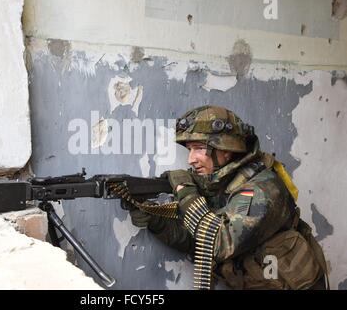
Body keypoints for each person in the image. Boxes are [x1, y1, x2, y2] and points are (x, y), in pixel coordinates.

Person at [129, 105, 328, 290]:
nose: (191, 159)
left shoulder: (261, 188)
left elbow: (219, 244)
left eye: (198, 148)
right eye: (190, 149)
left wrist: (185, 190)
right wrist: (158, 223)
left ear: (225, 149)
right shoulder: (222, 183)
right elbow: (201, 242)